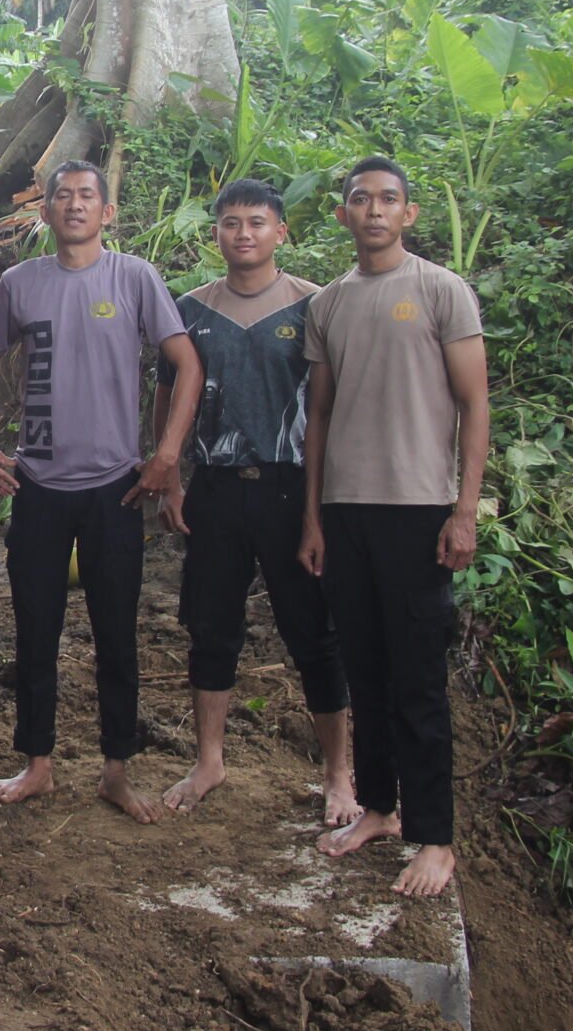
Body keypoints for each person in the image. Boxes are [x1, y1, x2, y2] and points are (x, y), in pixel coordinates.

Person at [0, 160, 200, 822]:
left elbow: (187, 364)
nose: (74, 206)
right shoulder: (19, 283)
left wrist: (166, 456)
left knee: (117, 636)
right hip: (38, 485)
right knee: (35, 631)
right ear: (42, 213)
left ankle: (116, 770)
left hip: (116, 491)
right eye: (61, 197)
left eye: (87, 197)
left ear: (107, 213)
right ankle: (38, 763)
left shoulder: (134, 277)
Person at [297, 157, 490, 899]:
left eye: (387, 200)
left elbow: (475, 405)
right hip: (346, 513)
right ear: (343, 214)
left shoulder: (442, 290)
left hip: (418, 513)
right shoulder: (330, 304)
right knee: (367, 672)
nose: (372, 210)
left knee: (417, 681)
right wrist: (313, 515)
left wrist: (464, 509)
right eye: (358, 200)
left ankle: (435, 838)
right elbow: (318, 416)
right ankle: (377, 806)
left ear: (408, 213)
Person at [151, 177, 354, 822]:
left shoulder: (313, 308)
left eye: (257, 222)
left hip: (291, 489)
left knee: (313, 633)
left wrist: (322, 510)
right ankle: (209, 762)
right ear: (214, 232)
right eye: (231, 222)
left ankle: (338, 775)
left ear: (280, 232)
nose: (244, 233)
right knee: (211, 628)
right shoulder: (188, 311)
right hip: (213, 489)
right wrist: (173, 478)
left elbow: (328, 411)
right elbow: (166, 396)